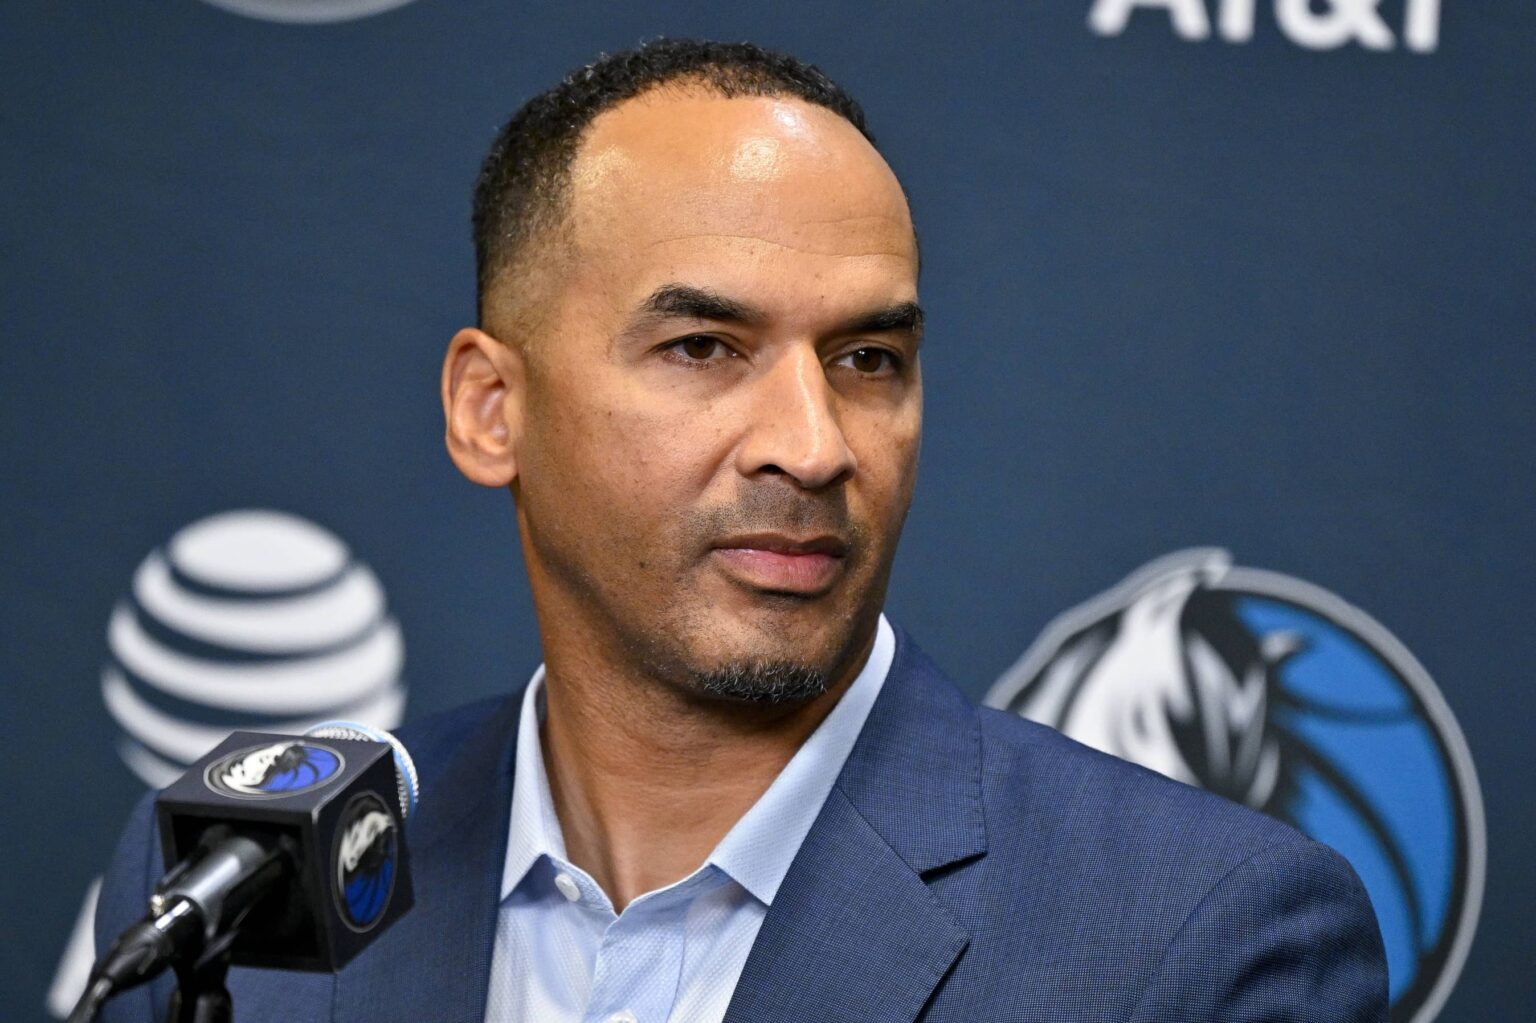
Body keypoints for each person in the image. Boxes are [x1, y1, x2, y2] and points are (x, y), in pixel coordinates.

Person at [95, 39, 1387, 1022]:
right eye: (705, 347)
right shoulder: (232, 893)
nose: (815, 445)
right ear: (493, 409)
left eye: (869, 358)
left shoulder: (1198, 936)